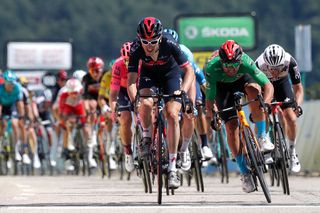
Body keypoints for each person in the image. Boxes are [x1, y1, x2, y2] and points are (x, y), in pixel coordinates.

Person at [127, 17, 195, 189]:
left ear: (160, 38)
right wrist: (136, 99)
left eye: (153, 41)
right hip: (149, 78)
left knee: (172, 114)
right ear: (139, 39)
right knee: (146, 104)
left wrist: (183, 91)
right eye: (145, 41)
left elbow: (188, 70)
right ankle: (146, 138)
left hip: (170, 76)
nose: (149, 45)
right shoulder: (135, 49)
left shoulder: (170, 44)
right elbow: (131, 80)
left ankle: (173, 167)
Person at [205, 40, 274, 193]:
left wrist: (267, 103)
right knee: (231, 127)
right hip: (222, 88)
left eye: (235, 65)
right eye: (227, 66)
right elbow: (209, 98)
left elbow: (268, 85)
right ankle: (244, 172)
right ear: (221, 61)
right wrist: (212, 115)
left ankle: (262, 136)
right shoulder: (211, 68)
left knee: (254, 89)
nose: (231, 69)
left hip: (243, 80)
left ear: (240, 60)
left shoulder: (246, 62)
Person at [163, 29, 215, 165]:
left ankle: (204, 145)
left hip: (188, 77)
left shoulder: (184, 52)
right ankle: (176, 146)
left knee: (194, 107)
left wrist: (208, 99)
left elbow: (199, 80)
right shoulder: (161, 54)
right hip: (171, 78)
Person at [255, 44, 304, 172]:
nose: (275, 71)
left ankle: (292, 151)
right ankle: (263, 147)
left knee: (291, 118)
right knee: (262, 114)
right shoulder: (258, 65)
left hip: (282, 85)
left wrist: (297, 105)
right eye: (271, 68)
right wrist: (257, 109)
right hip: (264, 86)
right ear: (266, 64)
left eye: (278, 68)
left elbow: (298, 88)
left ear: (283, 63)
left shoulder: (290, 62)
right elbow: (252, 89)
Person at [109, 42, 135, 173]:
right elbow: (113, 94)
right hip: (123, 91)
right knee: (125, 119)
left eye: (131, 60)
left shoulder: (142, 63)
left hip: (138, 87)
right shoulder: (118, 65)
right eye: (126, 60)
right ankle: (128, 151)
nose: (128, 63)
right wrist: (114, 111)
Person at [0, 70, 25, 163]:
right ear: (5, 82)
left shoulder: (17, 88)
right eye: (9, 83)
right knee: (2, 125)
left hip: (12, 106)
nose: (11, 85)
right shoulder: (0, 89)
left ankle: (16, 148)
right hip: (2, 106)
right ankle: (1, 141)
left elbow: (20, 103)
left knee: (15, 123)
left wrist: (21, 116)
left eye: (13, 83)